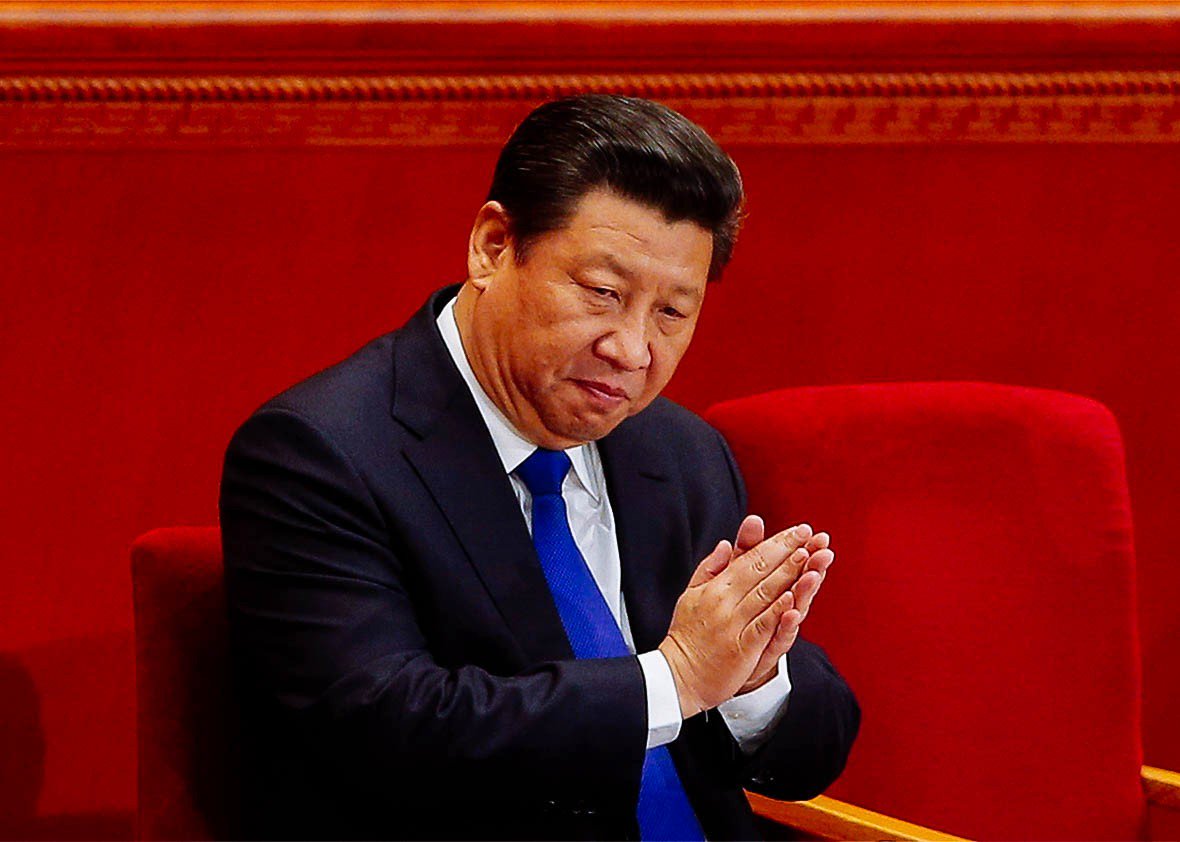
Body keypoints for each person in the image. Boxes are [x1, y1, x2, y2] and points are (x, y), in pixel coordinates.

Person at [220, 94, 859, 841]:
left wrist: (752, 680)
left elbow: (811, 757)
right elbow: (389, 730)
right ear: (493, 247)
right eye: (603, 294)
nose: (632, 350)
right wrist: (676, 680)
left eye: (671, 313)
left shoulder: (680, 452)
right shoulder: (320, 453)